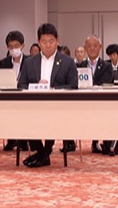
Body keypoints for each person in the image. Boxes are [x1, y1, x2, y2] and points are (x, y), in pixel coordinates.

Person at [17, 23, 79, 167]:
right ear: (39, 42)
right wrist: (36, 86)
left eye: (51, 41)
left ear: (58, 40)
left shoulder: (68, 62)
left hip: (58, 107)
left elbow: (73, 85)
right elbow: (21, 85)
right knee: (26, 117)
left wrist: (53, 88)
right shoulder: (29, 62)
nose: (48, 45)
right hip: (33, 106)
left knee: (53, 118)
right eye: (44, 42)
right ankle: (42, 153)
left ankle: (43, 154)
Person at [0, 30, 27, 151]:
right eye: (10, 47)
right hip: (9, 95)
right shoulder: (4, 62)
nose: (13, 49)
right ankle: (11, 139)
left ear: (22, 46)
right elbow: (1, 81)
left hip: (25, 96)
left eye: (16, 46)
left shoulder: (29, 61)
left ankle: (24, 140)